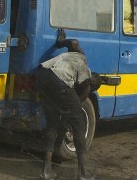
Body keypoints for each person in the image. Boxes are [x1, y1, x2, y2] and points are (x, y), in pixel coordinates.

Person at [36, 30, 101, 180]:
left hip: (42, 74)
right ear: (92, 83)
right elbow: (76, 105)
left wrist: (60, 42)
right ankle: (83, 173)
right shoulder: (86, 80)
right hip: (57, 80)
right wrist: (69, 116)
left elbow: (73, 43)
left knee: (52, 124)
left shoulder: (80, 54)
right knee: (79, 125)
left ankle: (46, 171)